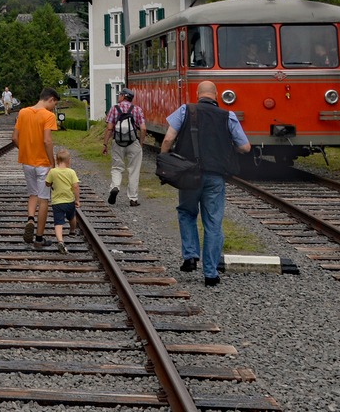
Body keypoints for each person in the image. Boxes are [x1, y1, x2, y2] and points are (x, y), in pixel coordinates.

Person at [159, 80, 251, 287]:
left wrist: (164, 159)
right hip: (215, 177)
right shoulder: (229, 116)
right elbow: (245, 147)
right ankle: (210, 274)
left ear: (198, 94)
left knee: (186, 212)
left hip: (189, 176)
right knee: (213, 223)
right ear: (216, 95)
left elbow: (167, 139)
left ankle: (191, 256)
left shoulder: (185, 110)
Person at [15, 88, 60, 247]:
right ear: (51, 99)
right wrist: (52, 163)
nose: (53, 108)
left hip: (27, 163)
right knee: (44, 199)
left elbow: (14, 138)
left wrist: (26, 150)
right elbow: (47, 141)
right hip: (42, 164)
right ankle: (39, 239)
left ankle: (30, 219)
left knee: (32, 194)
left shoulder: (23, 112)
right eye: (54, 104)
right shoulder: (48, 116)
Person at [102, 88, 145, 206]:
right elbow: (143, 128)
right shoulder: (137, 109)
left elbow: (110, 128)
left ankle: (115, 187)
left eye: (119, 94)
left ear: (123, 96)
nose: (118, 96)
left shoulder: (114, 109)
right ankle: (133, 199)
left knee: (117, 167)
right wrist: (140, 143)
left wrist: (105, 144)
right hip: (133, 142)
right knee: (134, 170)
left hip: (118, 142)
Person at [44, 147, 80, 254]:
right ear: (68, 161)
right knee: (72, 217)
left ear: (57, 160)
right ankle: (72, 231)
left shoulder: (53, 172)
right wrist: (77, 200)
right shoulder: (71, 172)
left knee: (58, 222)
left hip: (57, 202)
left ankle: (60, 240)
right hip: (69, 201)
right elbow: (76, 186)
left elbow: (47, 183)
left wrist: (50, 182)